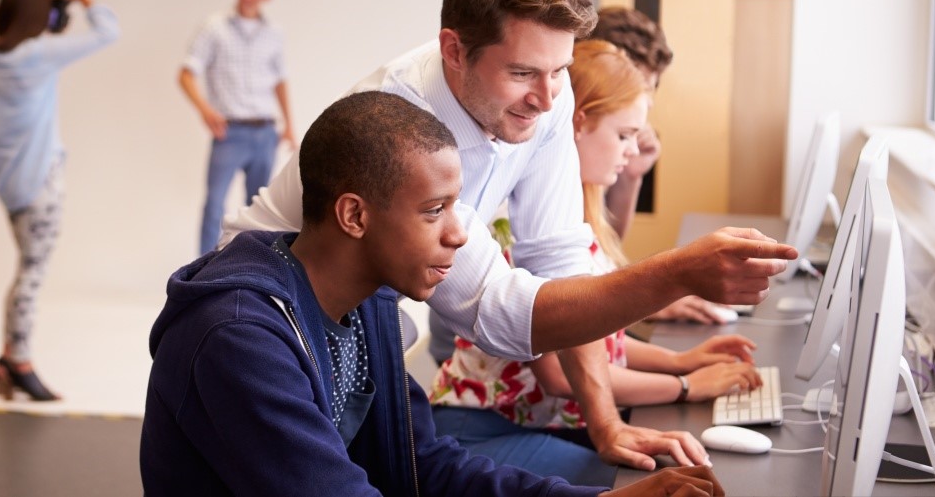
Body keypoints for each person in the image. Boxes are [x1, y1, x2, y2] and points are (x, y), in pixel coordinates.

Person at [221, 0, 798, 471]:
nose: (548, 99)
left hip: (367, 321)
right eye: (522, 72)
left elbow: (561, 262)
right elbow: (504, 317)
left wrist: (604, 424)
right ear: (454, 49)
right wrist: (679, 273)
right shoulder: (403, 122)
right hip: (277, 315)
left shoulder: (545, 90)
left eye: (560, 71)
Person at [140, 91, 726, 497]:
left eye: (457, 205)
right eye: (434, 210)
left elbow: (422, 463)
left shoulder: (365, 305)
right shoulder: (238, 339)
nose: (458, 233)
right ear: (353, 215)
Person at [429, 40, 762, 485]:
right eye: (623, 135)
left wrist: (681, 361)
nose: (629, 155)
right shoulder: (517, 229)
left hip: (533, 421)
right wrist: (686, 385)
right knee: (643, 480)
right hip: (478, 434)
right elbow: (558, 374)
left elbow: (601, 343)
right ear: (578, 124)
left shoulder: (579, 222)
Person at [0, 0, 119, 400]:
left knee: (25, 268)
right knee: (32, 272)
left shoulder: (3, 55)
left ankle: (10, 358)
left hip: (9, 187)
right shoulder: (38, 56)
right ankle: (18, 361)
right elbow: (108, 32)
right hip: (41, 186)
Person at [590, 7, 725, 325]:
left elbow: (604, 253)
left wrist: (632, 175)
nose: (645, 103)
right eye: (636, 86)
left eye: (650, 89)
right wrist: (647, 303)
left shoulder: (613, 146)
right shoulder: (581, 144)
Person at [178, 0, 296, 255]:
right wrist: (205, 110)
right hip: (229, 131)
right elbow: (186, 73)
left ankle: (249, 271)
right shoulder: (214, 27)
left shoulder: (273, 33)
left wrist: (288, 124)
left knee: (260, 211)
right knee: (215, 203)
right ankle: (203, 273)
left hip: (265, 131)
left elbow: (279, 80)